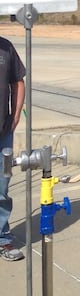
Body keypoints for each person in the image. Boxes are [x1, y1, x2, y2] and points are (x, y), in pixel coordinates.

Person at [0, 35, 26, 261]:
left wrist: (16, 115)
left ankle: (2, 239)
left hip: (3, 134)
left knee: (1, 188)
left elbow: (18, 81)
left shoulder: (5, 47)